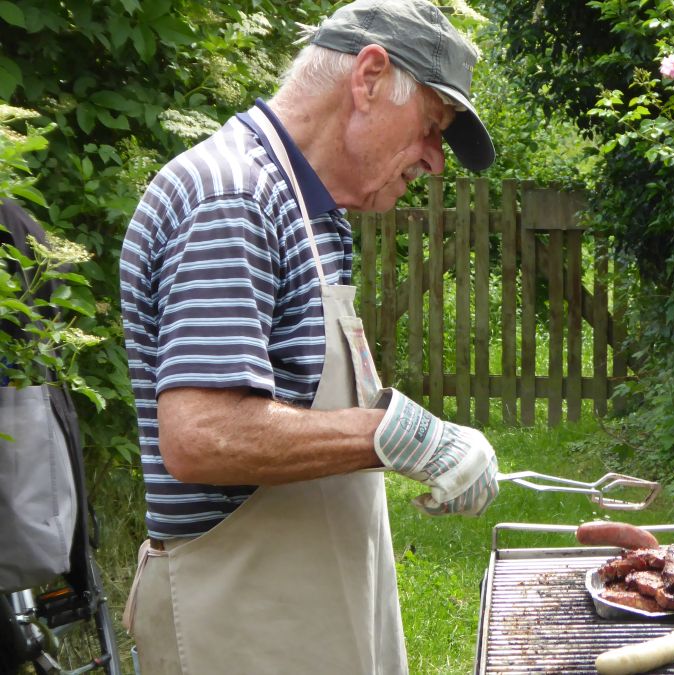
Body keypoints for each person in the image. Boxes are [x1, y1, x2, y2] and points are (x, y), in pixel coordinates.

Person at [117, 1, 499, 672]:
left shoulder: (313, 211)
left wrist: (408, 440)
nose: (435, 161)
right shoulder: (232, 196)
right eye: (431, 128)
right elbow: (200, 435)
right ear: (369, 78)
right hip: (242, 623)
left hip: (315, 607)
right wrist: (398, 435)